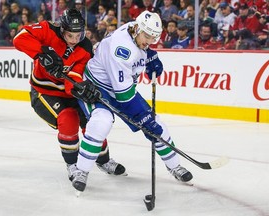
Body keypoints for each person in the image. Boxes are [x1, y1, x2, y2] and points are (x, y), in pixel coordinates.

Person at [48, 10, 193, 193]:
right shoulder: (121, 50)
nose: (149, 41)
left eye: (153, 38)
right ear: (139, 29)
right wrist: (144, 121)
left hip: (120, 87)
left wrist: (149, 56)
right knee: (102, 122)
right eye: (147, 37)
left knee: (157, 125)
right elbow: (124, 96)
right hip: (96, 88)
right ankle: (81, 171)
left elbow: (140, 49)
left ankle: (175, 167)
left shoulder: (135, 28)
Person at [13, 8, 126, 188]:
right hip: (44, 93)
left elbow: (75, 75)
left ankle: (103, 160)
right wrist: (42, 52)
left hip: (69, 93)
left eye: (78, 35)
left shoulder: (85, 46)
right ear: (61, 29)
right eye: (69, 35)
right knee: (68, 118)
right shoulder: (47, 29)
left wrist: (80, 88)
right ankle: (73, 164)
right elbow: (19, 38)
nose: (74, 40)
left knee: (92, 122)